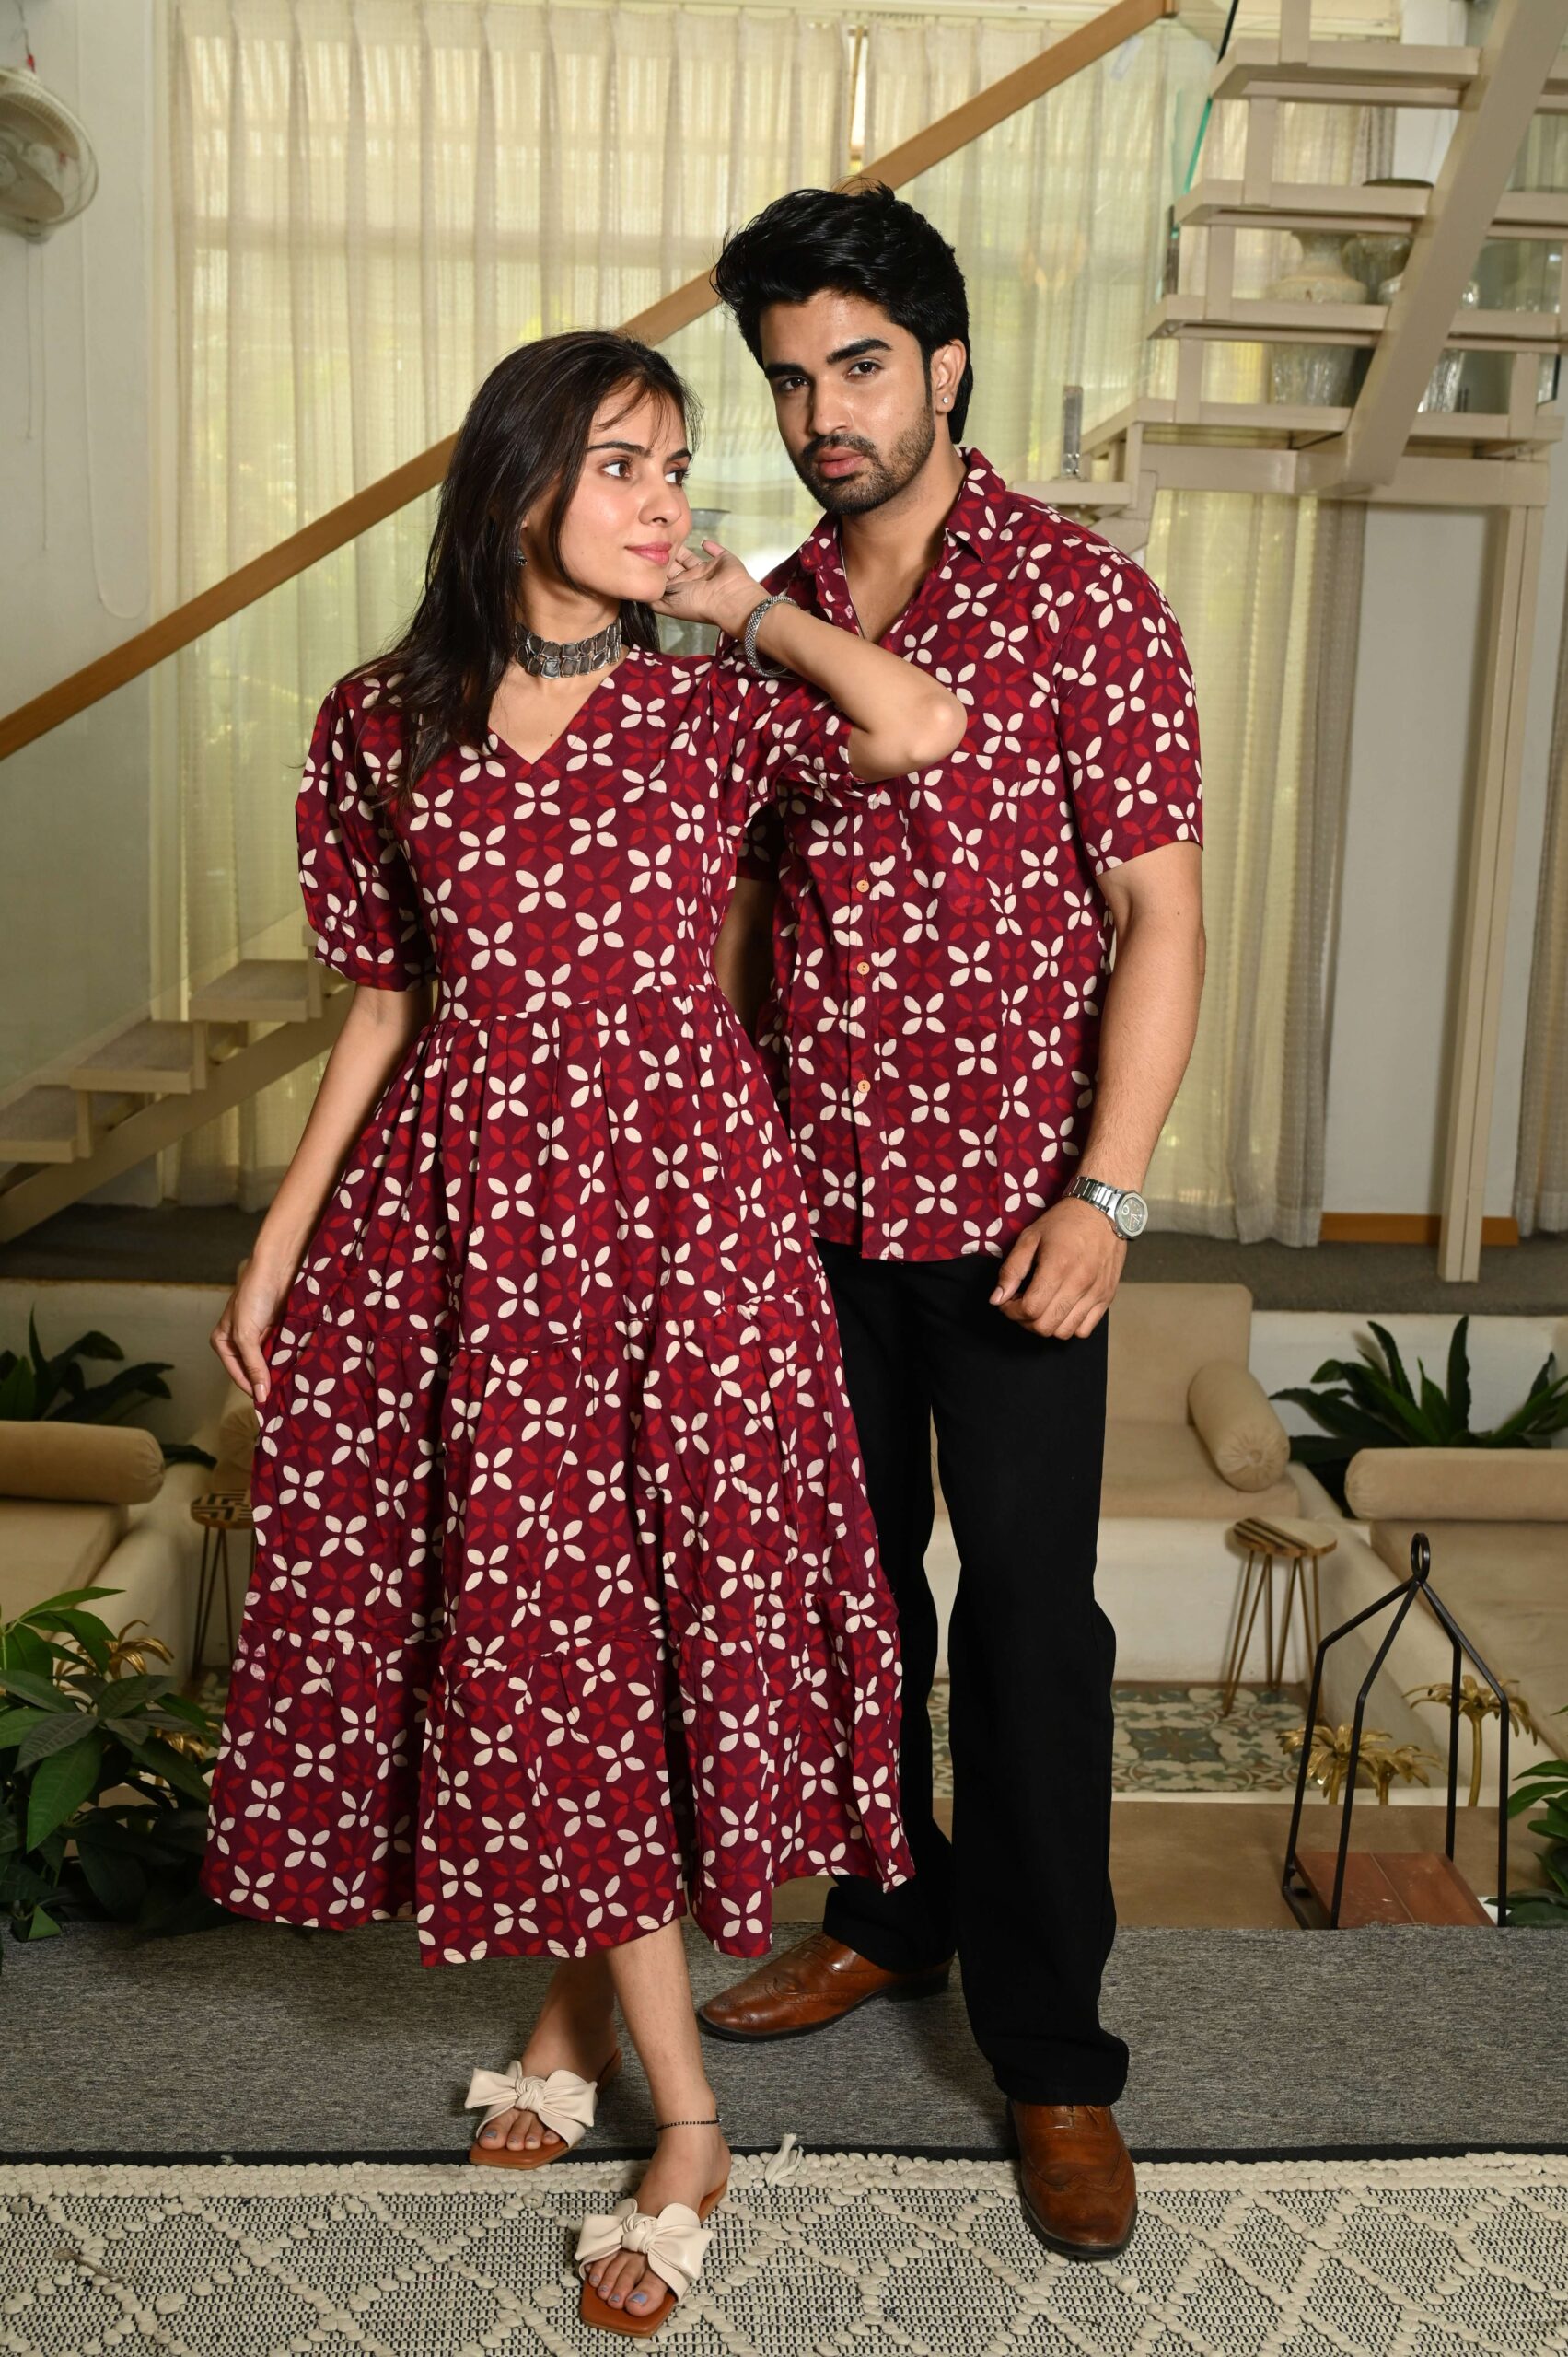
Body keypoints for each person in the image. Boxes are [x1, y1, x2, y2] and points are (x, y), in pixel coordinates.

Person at [199, 328, 965, 2336]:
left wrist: (743, 602)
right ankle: (593, 2025)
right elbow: (385, 1004)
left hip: (681, 1227)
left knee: (630, 1621)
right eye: (624, 463)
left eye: (681, 467)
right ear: (520, 477)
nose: (665, 500)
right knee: (545, 1626)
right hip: (468, 1224)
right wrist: (279, 1245)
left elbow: (919, 724)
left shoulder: (709, 705)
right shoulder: (382, 724)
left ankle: (677, 2114)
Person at [699, 184, 1206, 2262]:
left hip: (1017, 1226)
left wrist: (1109, 1191)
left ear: (949, 364)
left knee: (1026, 1631)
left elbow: (1159, 917)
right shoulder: (767, 616)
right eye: (790, 377)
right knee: (853, 1607)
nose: (824, 410)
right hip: (809, 1212)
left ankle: (1057, 2056)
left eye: (860, 364)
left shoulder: (1088, 599)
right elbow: (745, 914)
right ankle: (888, 1916)